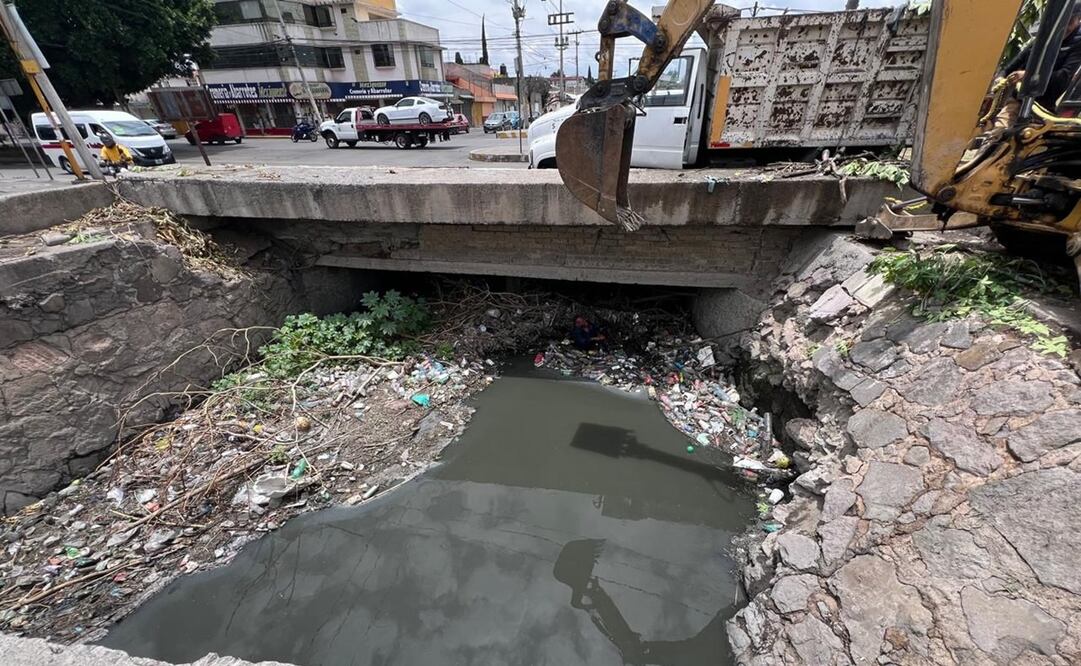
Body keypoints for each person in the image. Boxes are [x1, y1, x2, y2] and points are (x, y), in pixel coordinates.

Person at [993, 6, 1081, 130]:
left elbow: (1063, 77)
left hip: (1044, 108)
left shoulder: (1078, 43)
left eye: (1070, 22)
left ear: (1079, 19)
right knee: (997, 134)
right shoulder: (1046, 33)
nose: (1064, 27)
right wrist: (1000, 77)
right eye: (1062, 22)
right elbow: (1016, 62)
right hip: (1019, 98)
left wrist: (1027, 75)